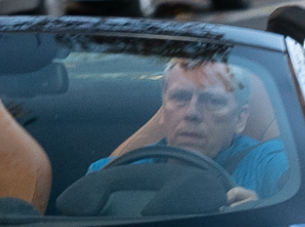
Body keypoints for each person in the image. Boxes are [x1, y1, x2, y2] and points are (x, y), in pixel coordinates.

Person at [94, 60, 289, 203]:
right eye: (180, 97)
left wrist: (265, 213)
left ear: (241, 118)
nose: (192, 113)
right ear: (163, 109)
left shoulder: (269, 163)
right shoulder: (112, 173)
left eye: (213, 101)